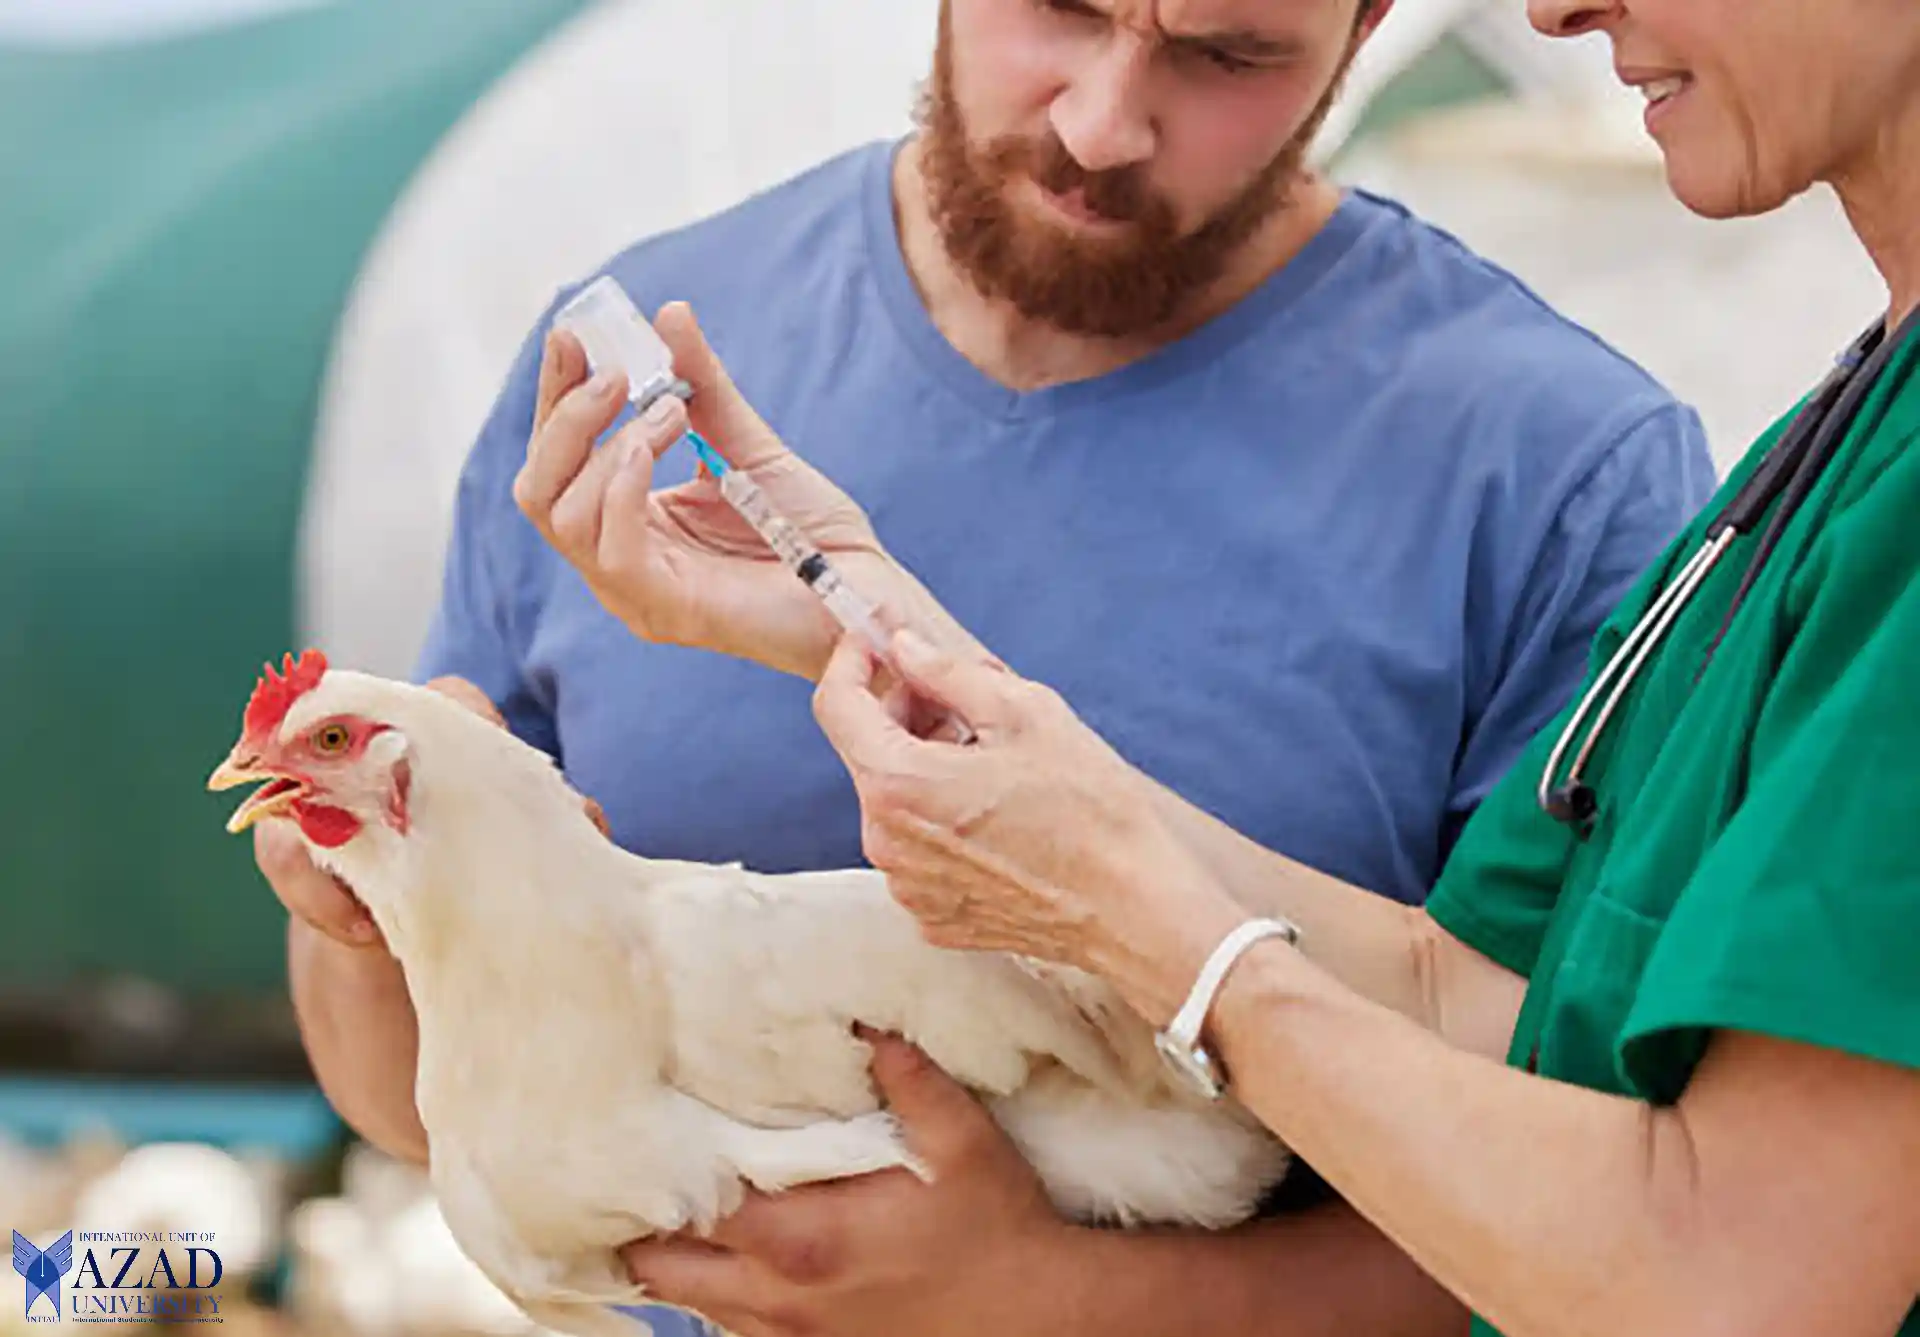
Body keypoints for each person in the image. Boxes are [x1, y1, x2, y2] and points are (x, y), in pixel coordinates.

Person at [259, 1, 1718, 1334]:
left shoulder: (1563, 481)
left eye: (1227, 54)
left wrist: (1055, 1301)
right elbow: (405, 1104)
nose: (1101, 121)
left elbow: (1639, 1218)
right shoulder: (629, 391)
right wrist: (365, 915)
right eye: (1063, 8)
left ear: (1370, 21)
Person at [573, 0, 1920, 1333]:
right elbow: (1480, 996)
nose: (1554, 9)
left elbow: (1736, 1286)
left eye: (1228, 51)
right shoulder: (1843, 447)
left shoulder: (1592, 459)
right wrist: (883, 633)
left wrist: (1139, 937)